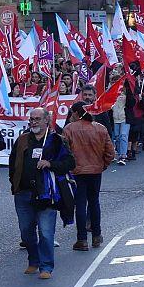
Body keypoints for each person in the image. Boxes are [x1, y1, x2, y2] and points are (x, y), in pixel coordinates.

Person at [9, 108, 75, 279]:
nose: (34, 122)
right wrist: (14, 183)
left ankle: (46, 266)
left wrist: (50, 163)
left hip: (47, 194)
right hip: (24, 193)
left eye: (38, 118)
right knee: (26, 231)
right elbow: (12, 163)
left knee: (46, 233)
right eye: (32, 119)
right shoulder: (22, 139)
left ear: (47, 120)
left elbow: (69, 163)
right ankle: (34, 260)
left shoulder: (56, 140)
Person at [62, 102, 116, 251]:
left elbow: (64, 151)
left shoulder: (69, 129)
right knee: (94, 202)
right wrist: (102, 165)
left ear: (76, 113)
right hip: (95, 170)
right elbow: (110, 152)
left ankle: (82, 239)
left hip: (77, 171)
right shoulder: (100, 128)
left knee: (80, 204)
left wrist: (69, 167)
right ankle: (97, 235)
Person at [111, 82, 132, 165]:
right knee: (117, 137)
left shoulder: (127, 95)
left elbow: (132, 103)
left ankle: (123, 155)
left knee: (123, 135)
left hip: (125, 118)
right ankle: (120, 154)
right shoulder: (111, 95)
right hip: (115, 118)